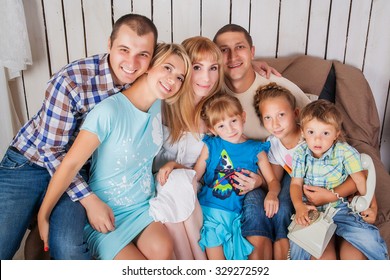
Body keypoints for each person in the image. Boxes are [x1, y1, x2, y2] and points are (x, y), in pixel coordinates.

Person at [0, 13, 158, 260]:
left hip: (78, 169)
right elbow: (50, 150)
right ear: (109, 45)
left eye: (143, 55)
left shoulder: (144, 86)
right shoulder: (72, 81)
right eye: (124, 50)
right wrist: (88, 198)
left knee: (68, 246)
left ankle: (41, 232)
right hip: (29, 163)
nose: (132, 62)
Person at [37, 43, 192, 260]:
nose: (173, 80)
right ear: (149, 66)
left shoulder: (159, 106)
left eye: (180, 77)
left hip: (142, 207)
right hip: (106, 211)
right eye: (168, 68)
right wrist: (43, 216)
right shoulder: (108, 111)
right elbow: (70, 164)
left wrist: (171, 164)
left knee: (163, 249)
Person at [212, 23, 311, 259]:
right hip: (247, 172)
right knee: (257, 210)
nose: (233, 56)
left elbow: (321, 127)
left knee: (284, 206)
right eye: (223, 50)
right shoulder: (213, 92)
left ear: (252, 52)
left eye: (240, 48)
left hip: (287, 167)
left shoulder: (278, 88)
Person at [149, 36, 224, 260]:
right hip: (156, 184)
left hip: (191, 186)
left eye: (213, 68)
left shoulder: (214, 113)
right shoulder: (161, 104)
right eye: (198, 67)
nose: (206, 77)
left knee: (180, 181)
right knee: (174, 183)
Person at [289, 99, 388, 260]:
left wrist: (370, 205)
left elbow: (361, 180)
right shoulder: (300, 154)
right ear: (302, 132)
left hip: (342, 210)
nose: (317, 139)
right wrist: (299, 206)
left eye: (325, 133)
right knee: (301, 249)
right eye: (311, 132)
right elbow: (295, 183)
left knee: (367, 240)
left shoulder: (345, 152)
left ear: (336, 134)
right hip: (314, 211)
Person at [192, 93, 279, 260]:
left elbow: (273, 181)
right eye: (221, 126)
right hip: (209, 213)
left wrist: (272, 194)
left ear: (243, 117)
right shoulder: (212, 145)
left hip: (236, 217)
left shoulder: (256, 149)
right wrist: (174, 166)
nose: (230, 129)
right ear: (212, 129)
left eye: (233, 121)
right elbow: (194, 176)